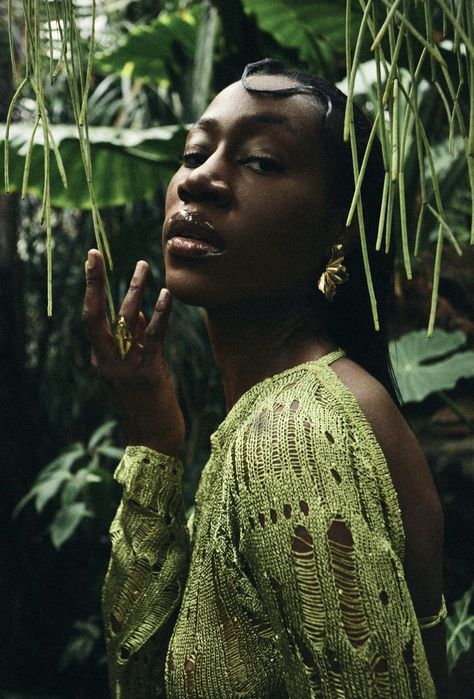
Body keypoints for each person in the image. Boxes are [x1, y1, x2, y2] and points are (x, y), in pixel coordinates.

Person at [83, 59, 447, 698]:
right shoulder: (298, 409)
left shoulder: (296, 437)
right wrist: (156, 435)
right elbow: (146, 675)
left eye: (260, 161)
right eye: (194, 151)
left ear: (341, 229)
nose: (201, 180)